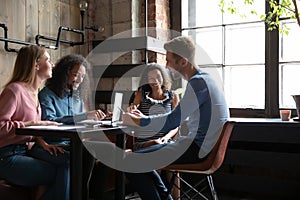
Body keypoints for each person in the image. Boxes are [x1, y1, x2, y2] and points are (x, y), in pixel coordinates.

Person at [122, 36, 229, 200]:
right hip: (198, 146)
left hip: (197, 150)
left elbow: (172, 121)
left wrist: (138, 121)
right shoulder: (205, 79)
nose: (166, 66)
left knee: (130, 161)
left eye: (169, 60)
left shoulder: (198, 83)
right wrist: (144, 117)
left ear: (183, 62)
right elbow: (179, 117)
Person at [30, 54, 107, 200]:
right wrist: (85, 116)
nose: (79, 79)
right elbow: (50, 121)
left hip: (72, 144)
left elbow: (80, 123)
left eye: (83, 76)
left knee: (107, 154)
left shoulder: (76, 97)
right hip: (51, 144)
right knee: (86, 154)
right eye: (75, 74)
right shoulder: (47, 95)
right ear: (64, 73)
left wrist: (99, 118)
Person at [0, 45, 68, 200]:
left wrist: (43, 144)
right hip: (7, 156)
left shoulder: (34, 92)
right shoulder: (14, 90)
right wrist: (31, 124)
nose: (52, 64)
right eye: (48, 60)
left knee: (69, 161)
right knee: (63, 171)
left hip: (26, 151)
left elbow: (31, 128)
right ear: (36, 65)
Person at [129, 63, 179, 151]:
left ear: (163, 77)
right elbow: (133, 110)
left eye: (158, 77)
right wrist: (132, 109)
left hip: (165, 142)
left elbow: (176, 125)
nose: (155, 80)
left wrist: (166, 138)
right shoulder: (141, 95)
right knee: (156, 144)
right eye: (151, 78)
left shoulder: (173, 96)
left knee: (163, 146)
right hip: (144, 143)